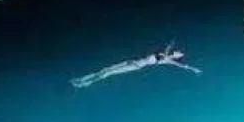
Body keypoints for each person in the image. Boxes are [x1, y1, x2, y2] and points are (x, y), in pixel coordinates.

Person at [70, 43, 202, 88]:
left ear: (178, 57)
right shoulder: (165, 52)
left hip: (135, 66)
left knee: (107, 73)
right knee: (105, 69)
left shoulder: (168, 60)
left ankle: (85, 83)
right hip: (131, 60)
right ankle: (81, 79)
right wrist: (172, 43)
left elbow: (182, 66)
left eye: (179, 54)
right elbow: (169, 46)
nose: (178, 53)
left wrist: (193, 69)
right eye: (178, 52)